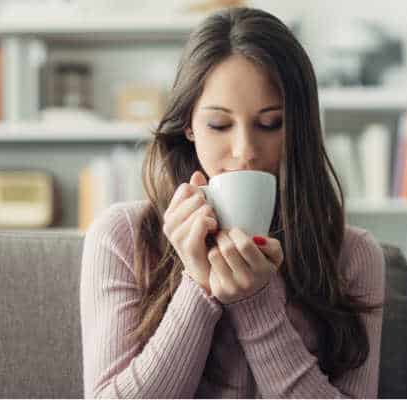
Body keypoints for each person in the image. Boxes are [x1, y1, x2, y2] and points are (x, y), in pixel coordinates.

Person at [80, 7, 385, 398]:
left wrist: (255, 302)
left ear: (298, 128)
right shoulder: (123, 237)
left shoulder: (353, 255)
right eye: (219, 125)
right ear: (188, 125)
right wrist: (198, 284)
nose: (245, 151)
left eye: (270, 123)